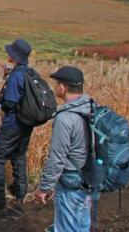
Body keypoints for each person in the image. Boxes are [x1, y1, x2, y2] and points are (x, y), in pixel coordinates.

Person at [34, 66, 92, 231]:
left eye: (56, 83)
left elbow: (57, 158)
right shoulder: (91, 108)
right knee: (81, 225)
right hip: (89, 178)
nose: (54, 87)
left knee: (67, 227)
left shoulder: (65, 118)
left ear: (63, 87)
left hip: (71, 182)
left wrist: (44, 188)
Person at [0, 39, 33, 211]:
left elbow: (10, 102)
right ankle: (20, 191)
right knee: (19, 155)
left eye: (10, 52)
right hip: (27, 123)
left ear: (15, 55)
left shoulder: (16, 75)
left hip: (13, 124)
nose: (8, 53)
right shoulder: (29, 72)